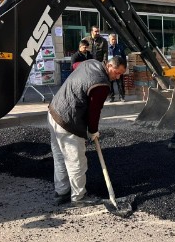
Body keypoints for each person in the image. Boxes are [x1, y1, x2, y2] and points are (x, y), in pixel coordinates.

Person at [48, 56, 127, 207]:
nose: (117, 77)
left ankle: (62, 192)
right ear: (109, 66)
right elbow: (94, 111)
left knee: (59, 157)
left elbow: (76, 65)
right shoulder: (101, 84)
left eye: (120, 74)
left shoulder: (91, 63)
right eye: (117, 73)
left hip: (54, 111)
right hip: (68, 120)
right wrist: (93, 131)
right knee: (76, 161)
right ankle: (78, 197)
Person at [107, 34, 127, 102]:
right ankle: (111, 97)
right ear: (109, 40)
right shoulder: (107, 48)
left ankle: (121, 96)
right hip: (110, 70)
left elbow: (124, 58)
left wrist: (124, 67)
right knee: (110, 84)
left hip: (119, 70)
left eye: (115, 39)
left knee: (120, 83)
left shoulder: (120, 48)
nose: (114, 41)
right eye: (112, 39)